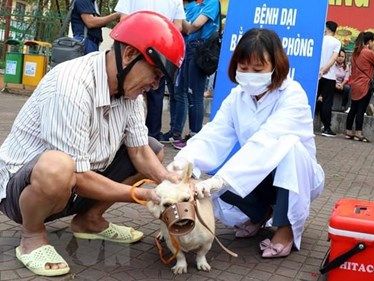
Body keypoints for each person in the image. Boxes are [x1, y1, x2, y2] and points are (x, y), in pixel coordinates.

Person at [0, 12, 185, 277]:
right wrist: (142, 195)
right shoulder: (71, 85)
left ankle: (89, 220)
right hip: (25, 191)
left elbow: (140, 152)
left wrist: (170, 180)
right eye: (156, 73)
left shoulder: (129, 93)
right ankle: (32, 236)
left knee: (153, 148)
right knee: (58, 166)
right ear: (130, 54)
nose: (156, 85)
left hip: (78, 183)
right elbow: (76, 173)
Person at [167, 28, 324, 259]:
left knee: (287, 148)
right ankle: (259, 214)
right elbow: (214, 134)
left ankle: (286, 228)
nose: (250, 74)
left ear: (275, 66)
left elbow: (267, 141)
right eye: (243, 68)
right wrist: (182, 163)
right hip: (259, 173)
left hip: (297, 177)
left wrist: (221, 180)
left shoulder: (293, 95)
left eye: (258, 69)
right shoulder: (237, 97)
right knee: (218, 175)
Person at [114, 0, 185, 141]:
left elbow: (123, 19)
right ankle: (152, 136)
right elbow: (178, 28)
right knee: (155, 95)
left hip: (134, 48)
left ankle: (121, 133)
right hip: (161, 50)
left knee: (124, 90)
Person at [164, 0, 220, 149]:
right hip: (186, 48)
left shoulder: (211, 3)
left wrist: (181, 20)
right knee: (180, 92)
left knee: (195, 94)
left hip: (200, 50)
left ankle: (195, 134)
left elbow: (194, 25)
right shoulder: (190, 5)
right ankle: (176, 133)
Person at [345, 31, 374, 142]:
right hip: (364, 85)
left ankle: (348, 131)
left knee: (353, 108)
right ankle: (358, 132)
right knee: (361, 110)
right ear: (370, 41)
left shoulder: (355, 53)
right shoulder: (367, 52)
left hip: (355, 85)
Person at [317, 21, 341, 137]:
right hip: (329, 76)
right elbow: (333, 59)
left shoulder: (319, 39)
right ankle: (326, 128)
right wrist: (324, 69)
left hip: (316, 75)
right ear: (335, 30)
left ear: (326, 28)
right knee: (327, 102)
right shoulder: (336, 42)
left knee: (312, 99)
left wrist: (320, 71)